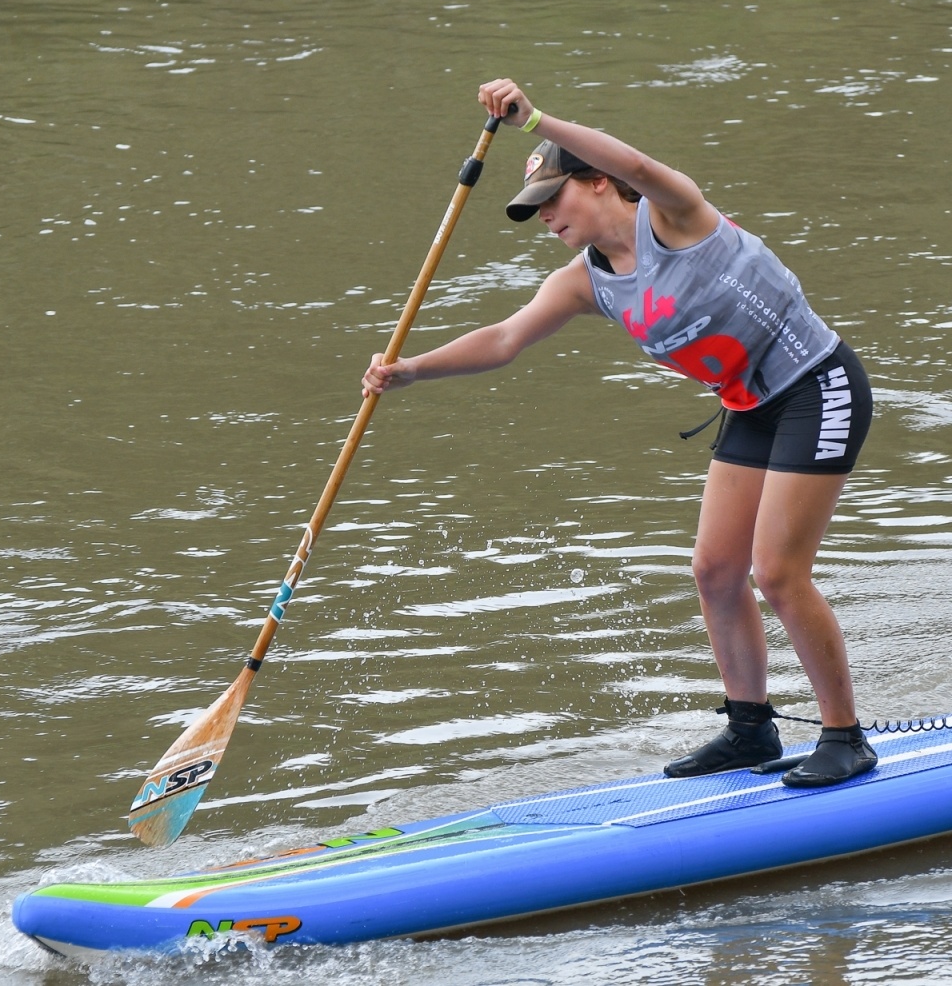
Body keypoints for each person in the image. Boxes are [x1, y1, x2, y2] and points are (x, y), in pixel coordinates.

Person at [361, 78, 876, 787]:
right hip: (751, 407)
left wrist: (536, 121)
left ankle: (845, 738)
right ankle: (750, 728)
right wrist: (412, 370)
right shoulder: (585, 282)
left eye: (553, 198)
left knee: (778, 572)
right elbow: (505, 338)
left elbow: (635, 162)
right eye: (534, 209)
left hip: (816, 386)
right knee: (714, 572)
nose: (545, 217)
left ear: (597, 181)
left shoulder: (677, 216)